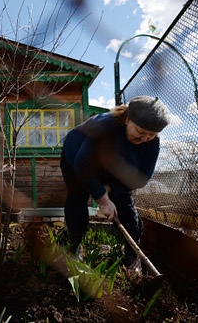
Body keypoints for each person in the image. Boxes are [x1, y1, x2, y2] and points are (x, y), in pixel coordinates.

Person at [60, 95, 171, 273]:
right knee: (77, 200)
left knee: (128, 214)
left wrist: (111, 188)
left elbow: (142, 177)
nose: (145, 138)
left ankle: (132, 257)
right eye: (141, 132)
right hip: (78, 160)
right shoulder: (105, 127)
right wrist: (103, 199)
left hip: (114, 169)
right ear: (127, 119)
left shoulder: (152, 143)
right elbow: (83, 165)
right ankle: (74, 246)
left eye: (151, 135)